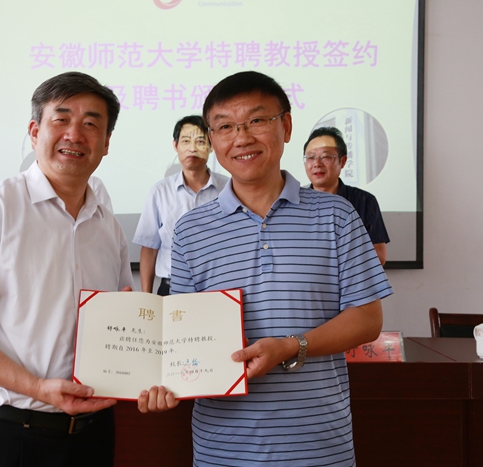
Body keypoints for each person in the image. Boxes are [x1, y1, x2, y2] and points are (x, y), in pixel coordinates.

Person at [0, 71, 176, 467]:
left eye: (91, 124)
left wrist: (150, 372)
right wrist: (38, 387)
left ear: (106, 143)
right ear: (34, 131)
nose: (75, 134)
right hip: (8, 436)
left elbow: (117, 331)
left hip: (91, 436)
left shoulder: (108, 227)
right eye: (61, 119)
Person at [169, 71, 393, 465]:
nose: (241, 138)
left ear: (286, 126)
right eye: (225, 127)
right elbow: (182, 337)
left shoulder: (337, 215)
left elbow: (367, 320)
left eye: (257, 120)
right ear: (212, 140)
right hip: (223, 449)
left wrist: (291, 346)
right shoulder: (190, 230)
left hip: (319, 447)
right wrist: (157, 377)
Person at [133, 115, 228, 295]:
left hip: (218, 288)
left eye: (200, 141)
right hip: (171, 288)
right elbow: (149, 248)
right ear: (176, 146)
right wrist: (146, 296)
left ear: (211, 146)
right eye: (185, 141)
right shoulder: (160, 192)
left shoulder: (228, 189)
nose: (192, 148)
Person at [303, 126, 390, 264]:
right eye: (311, 157)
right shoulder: (295, 201)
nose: (317, 164)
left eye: (325, 156)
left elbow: (379, 257)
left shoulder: (365, 201)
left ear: (342, 161)